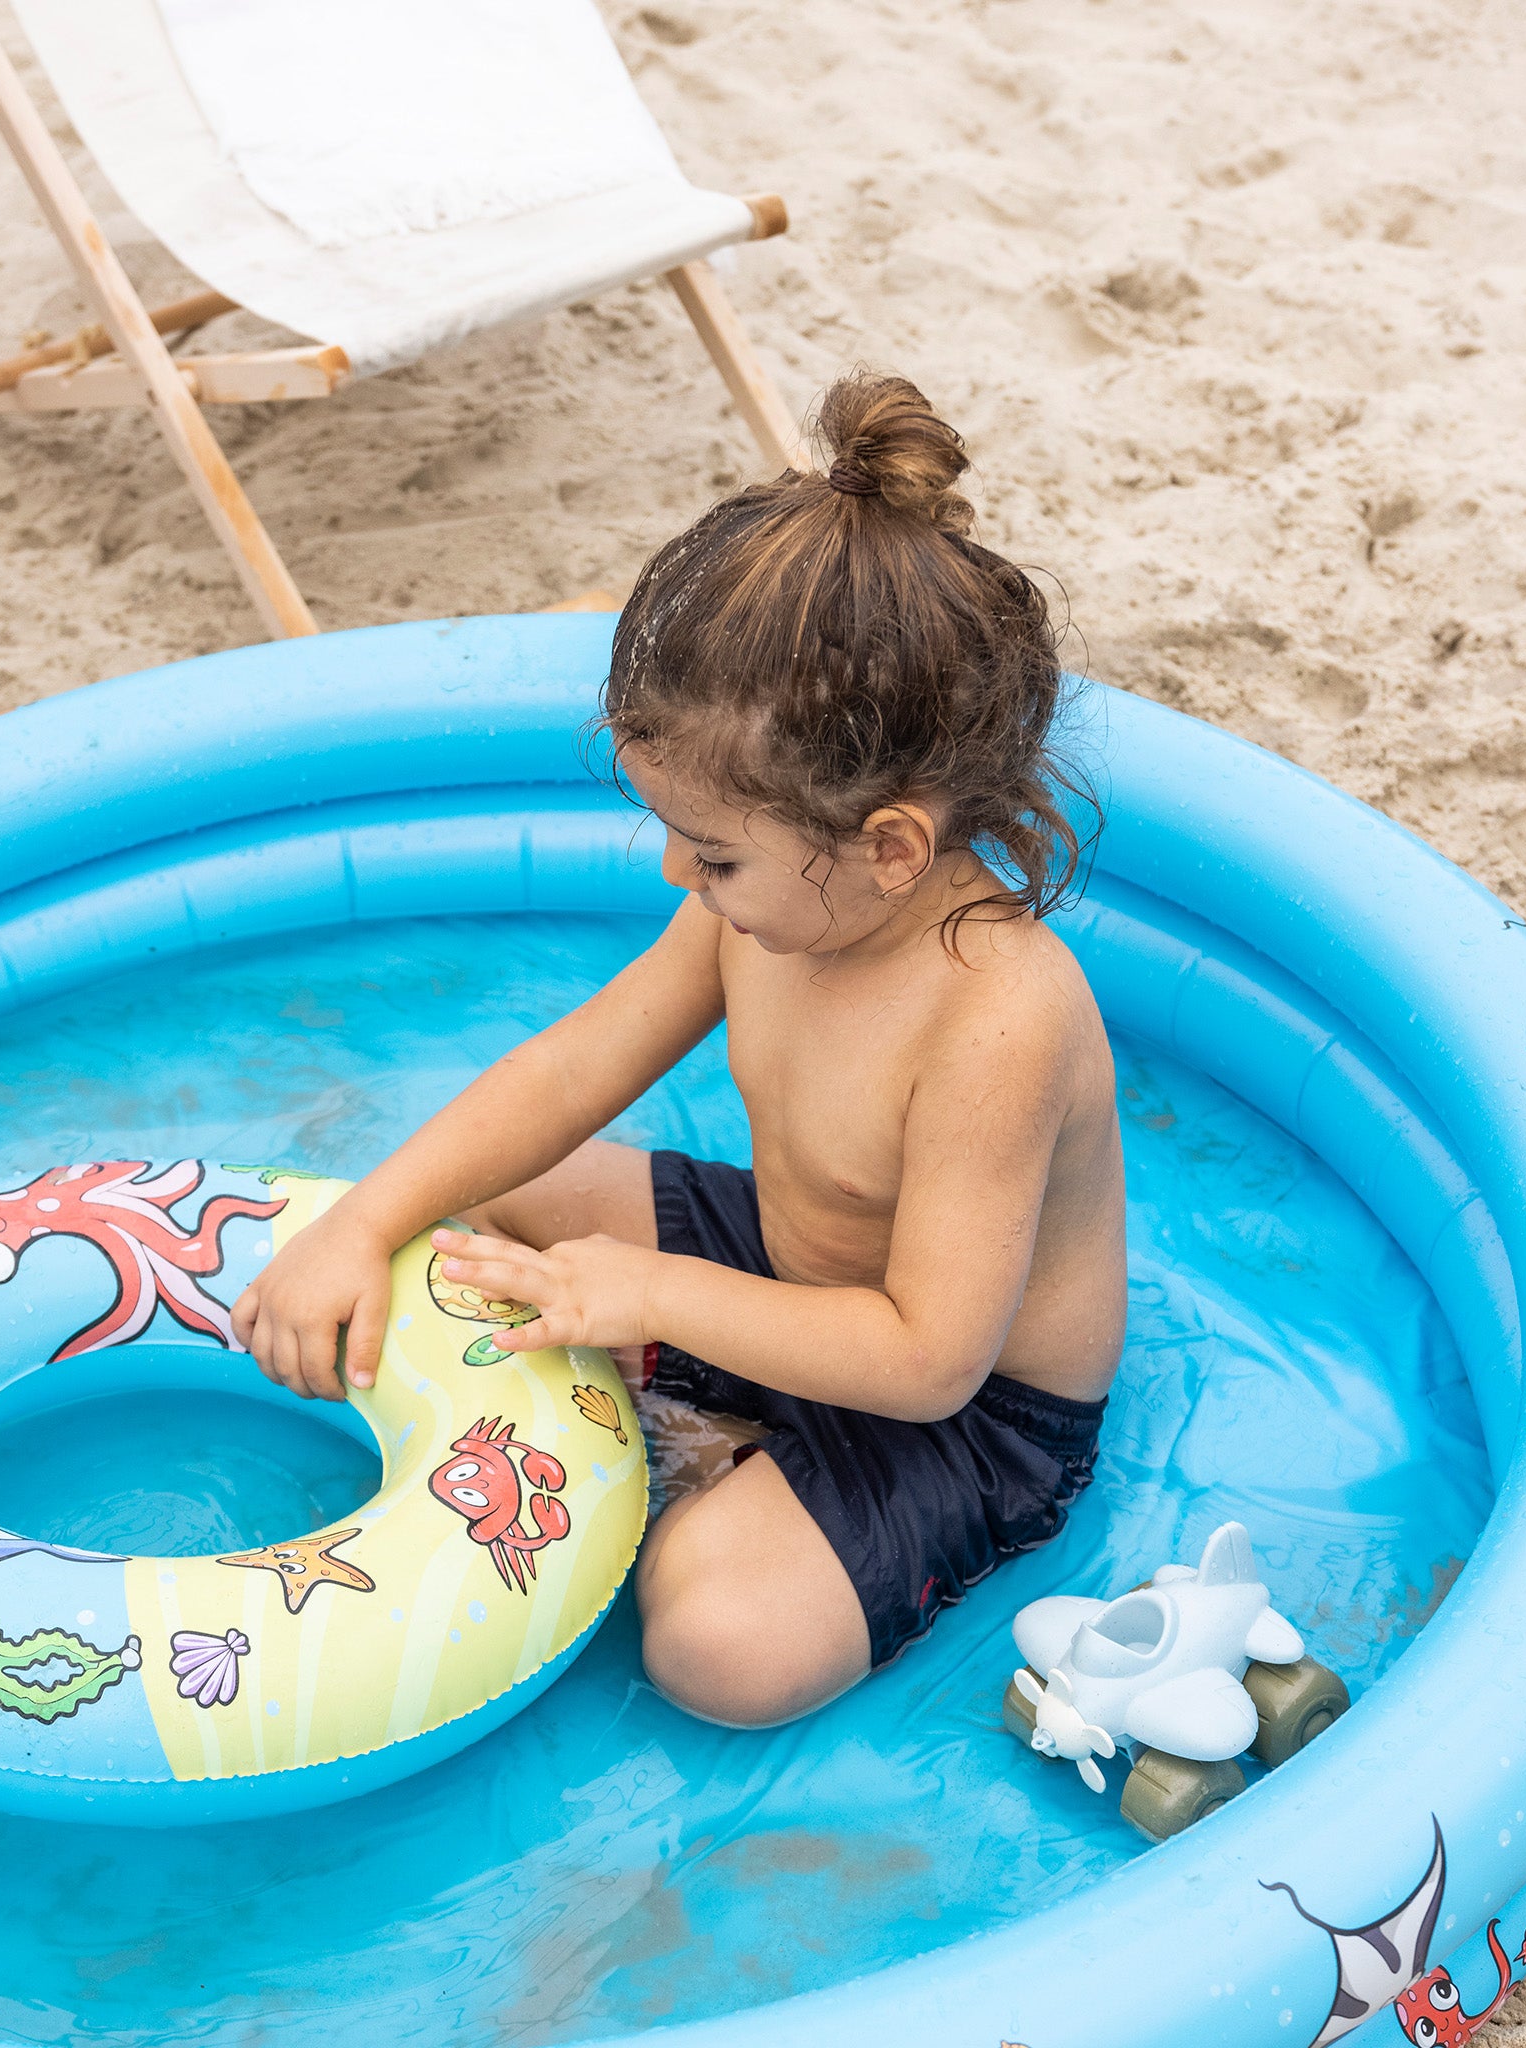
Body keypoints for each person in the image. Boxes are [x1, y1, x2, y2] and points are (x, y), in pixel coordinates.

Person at [233, 371, 1125, 1729]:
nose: (674, 871)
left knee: (716, 1649)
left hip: (963, 1405)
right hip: (782, 1272)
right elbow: (562, 1073)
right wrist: (363, 1222)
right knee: (489, 1208)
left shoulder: (997, 1017)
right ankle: (718, 1433)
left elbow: (929, 1356)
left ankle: (712, 1459)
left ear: (887, 847)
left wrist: (644, 1297)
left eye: (712, 852)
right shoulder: (765, 917)